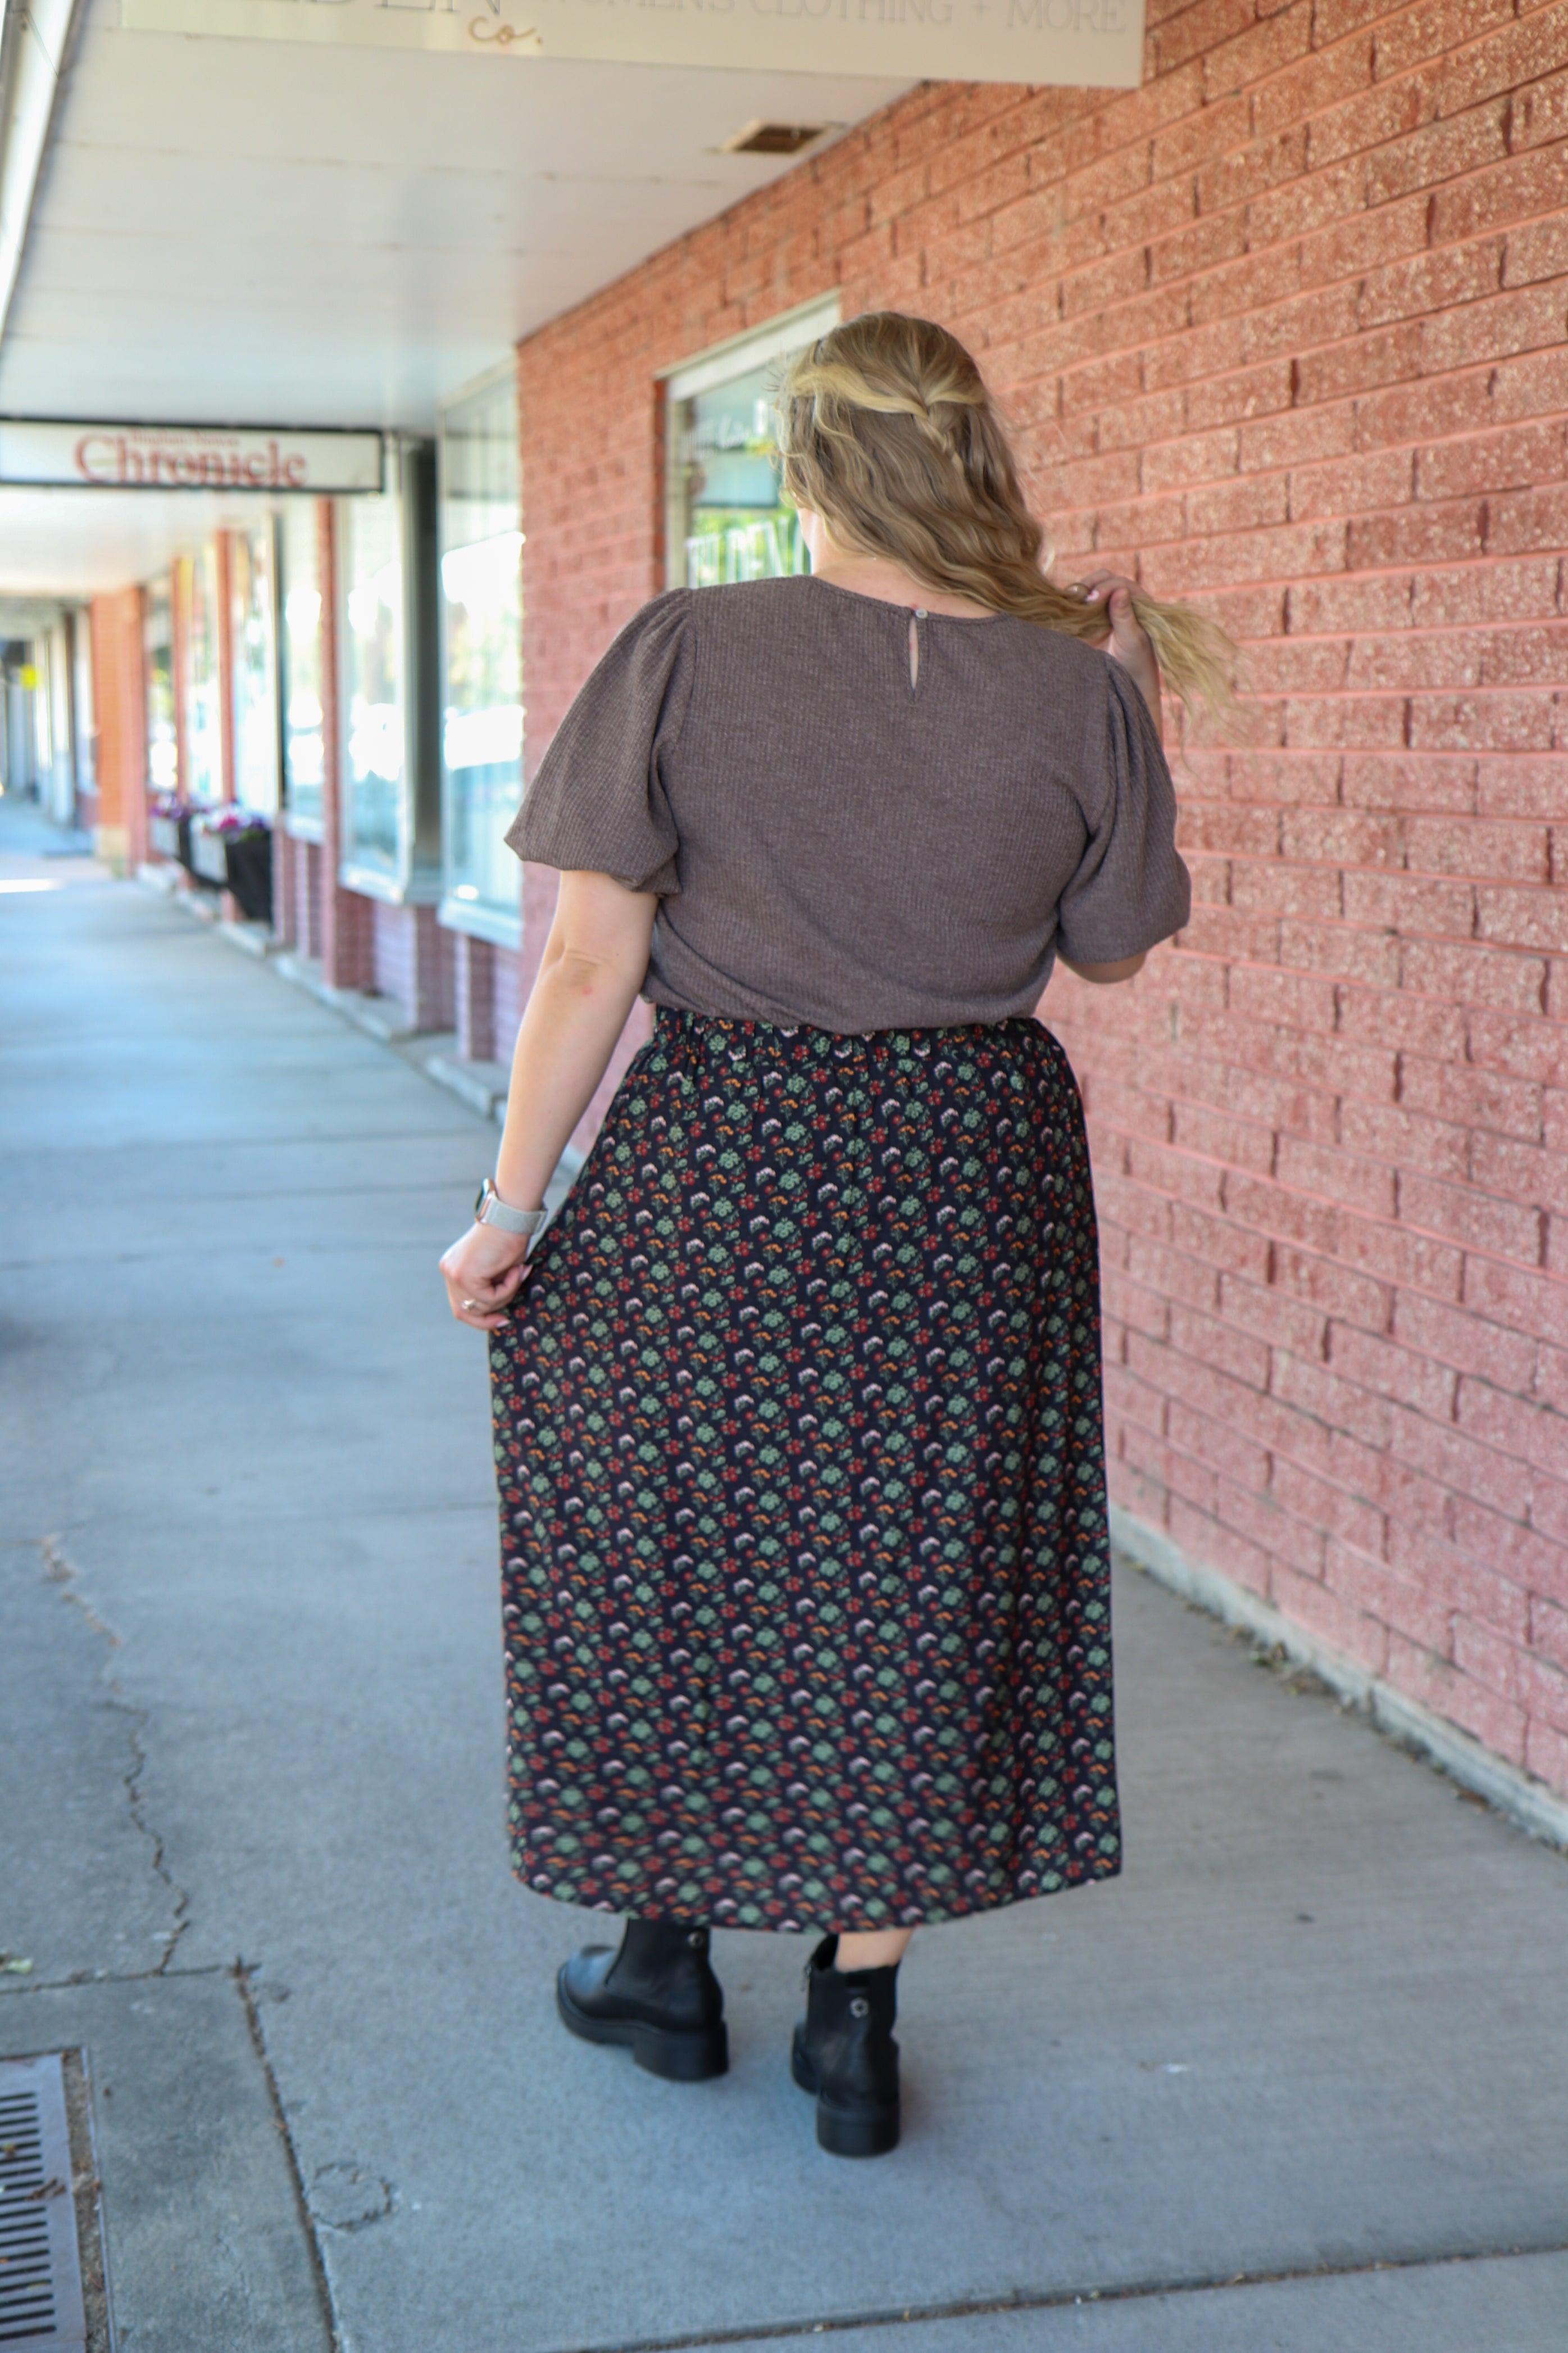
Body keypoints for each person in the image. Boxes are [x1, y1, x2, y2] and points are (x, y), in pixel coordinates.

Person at [439, 311, 1231, 2159]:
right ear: (971, 457)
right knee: (915, 1563)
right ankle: (853, 2021)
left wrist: (504, 1212)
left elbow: (587, 963)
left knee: (678, 1530)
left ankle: (665, 1957)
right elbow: (1112, 952)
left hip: (733, 1154)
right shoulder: (1077, 689)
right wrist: (1129, 702)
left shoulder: (687, 648)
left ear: (804, 466)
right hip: (973, 1172)